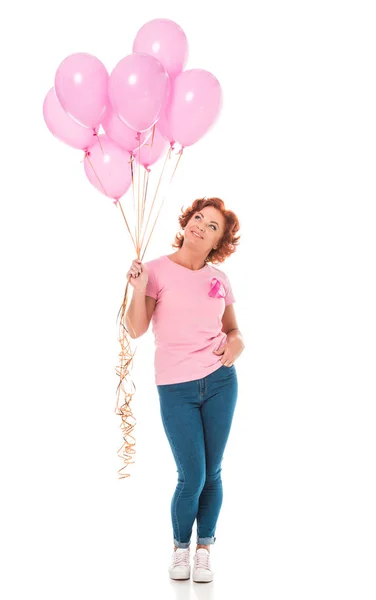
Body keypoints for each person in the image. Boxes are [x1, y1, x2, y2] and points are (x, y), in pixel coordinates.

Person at [125, 197, 244, 583]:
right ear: (186, 222)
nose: (201, 226)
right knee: (191, 475)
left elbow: (233, 330)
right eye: (198, 218)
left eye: (212, 226)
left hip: (221, 382)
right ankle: (180, 549)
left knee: (213, 473)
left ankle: (205, 549)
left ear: (218, 244)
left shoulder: (220, 279)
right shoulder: (156, 271)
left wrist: (238, 343)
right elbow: (136, 328)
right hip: (176, 387)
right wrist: (137, 288)